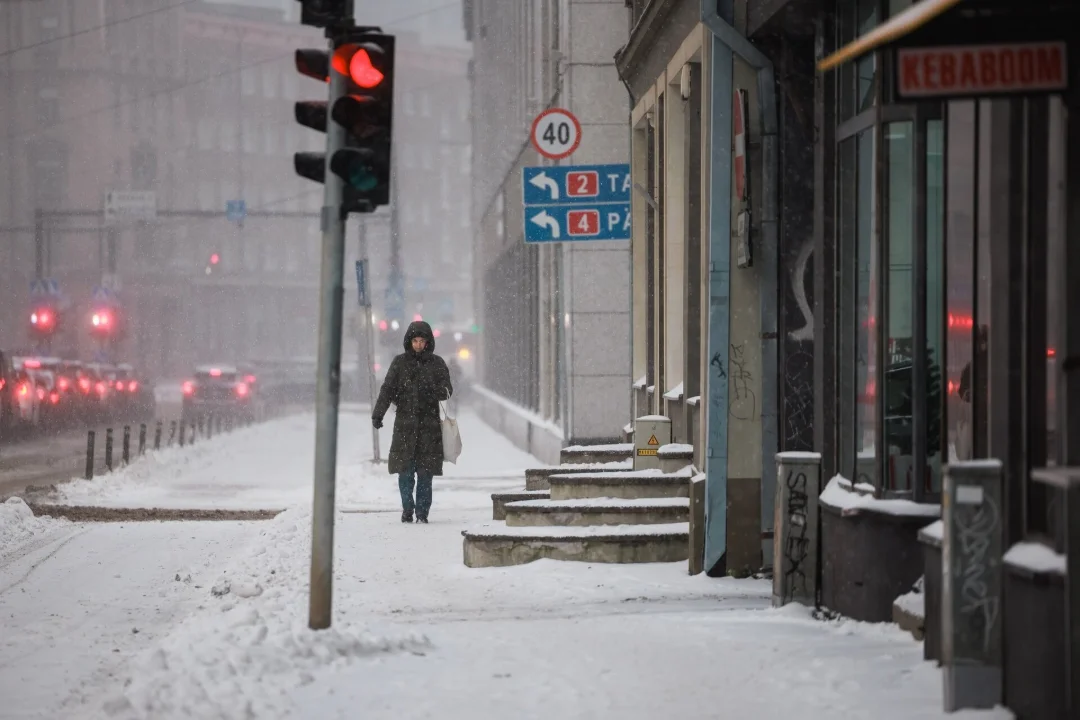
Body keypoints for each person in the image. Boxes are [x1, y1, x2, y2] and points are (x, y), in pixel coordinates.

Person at [372, 320, 453, 523]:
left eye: (421, 341)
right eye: (415, 341)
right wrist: (378, 413)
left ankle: (422, 513)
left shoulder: (437, 364)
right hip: (405, 427)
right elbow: (388, 389)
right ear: (409, 341)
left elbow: (447, 390)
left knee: (425, 474)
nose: (418, 345)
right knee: (405, 473)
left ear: (428, 342)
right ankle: (407, 509)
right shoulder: (399, 363)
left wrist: (431, 390)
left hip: (429, 428)